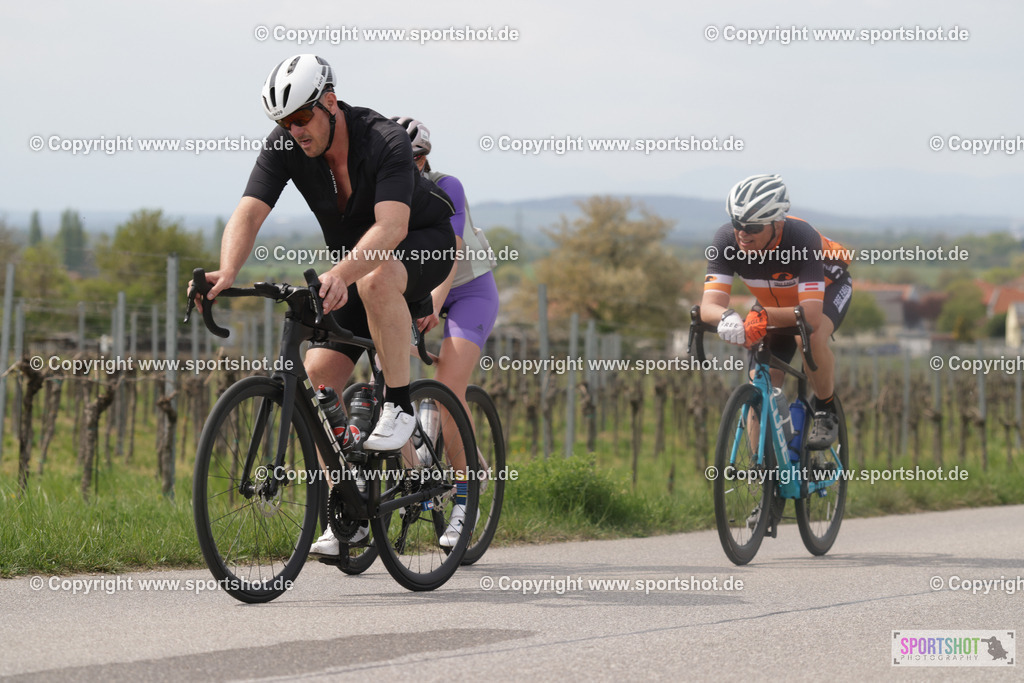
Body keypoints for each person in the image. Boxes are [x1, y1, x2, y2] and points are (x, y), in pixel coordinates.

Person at [196, 55, 456, 556]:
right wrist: (227, 271)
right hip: (357, 267)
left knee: (377, 281)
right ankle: (349, 506)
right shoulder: (286, 146)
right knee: (317, 382)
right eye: (283, 123)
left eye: (300, 118)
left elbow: (391, 229)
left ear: (330, 103)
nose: (293, 131)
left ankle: (400, 407)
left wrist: (338, 274)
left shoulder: (383, 139)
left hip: (421, 244)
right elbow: (248, 212)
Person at [392, 116, 500, 547]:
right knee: (386, 376)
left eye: (411, 162)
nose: (405, 171)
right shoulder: (385, 196)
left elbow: (449, 253)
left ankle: (465, 497)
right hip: (417, 292)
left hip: (468, 292)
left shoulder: (446, 186)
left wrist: (433, 306)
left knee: (448, 390)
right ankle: (421, 474)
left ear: (423, 160)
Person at [700, 174, 852, 449]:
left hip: (825, 291)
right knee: (762, 378)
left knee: (810, 337)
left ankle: (825, 410)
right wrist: (726, 317)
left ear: (777, 223)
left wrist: (765, 316)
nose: (742, 233)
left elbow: (811, 314)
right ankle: (762, 471)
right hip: (776, 303)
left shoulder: (801, 237)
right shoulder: (726, 241)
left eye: (753, 226)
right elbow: (709, 305)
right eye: (737, 224)